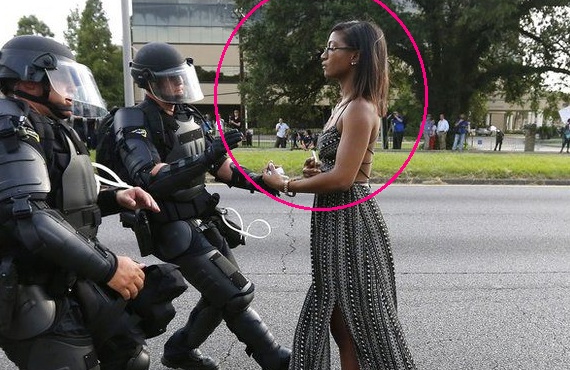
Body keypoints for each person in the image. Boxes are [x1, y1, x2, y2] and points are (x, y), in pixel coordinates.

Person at [110, 42, 290, 370]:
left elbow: (221, 166)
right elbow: (150, 177)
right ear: (148, 82)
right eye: (170, 79)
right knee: (235, 293)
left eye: (181, 77)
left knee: (222, 295)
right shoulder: (132, 119)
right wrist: (205, 158)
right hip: (170, 225)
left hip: (203, 218)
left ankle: (179, 351)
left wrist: (260, 182)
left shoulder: (188, 115)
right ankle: (273, 357)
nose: (179, 84)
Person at [0, 35, 164, 370]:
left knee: (131, 357)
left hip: (69, 271)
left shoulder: (48, 125)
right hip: (30, 286)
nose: (72, 89)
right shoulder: (10, 126)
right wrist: (110, 267)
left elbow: (58, 202)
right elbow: (29, 214)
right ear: (29, 80)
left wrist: (114, 197)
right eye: (62, 79)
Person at [263, 20, 416, 369]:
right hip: (334, 220)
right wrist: (315, 172)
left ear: (355, 57)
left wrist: (287, 185)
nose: (324, 54)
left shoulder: (361, 108)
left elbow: (345, 179)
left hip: (352, 222)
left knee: (359, 324)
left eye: (332, 47)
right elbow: (336, 170)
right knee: (340, 324)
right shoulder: (342, 106)